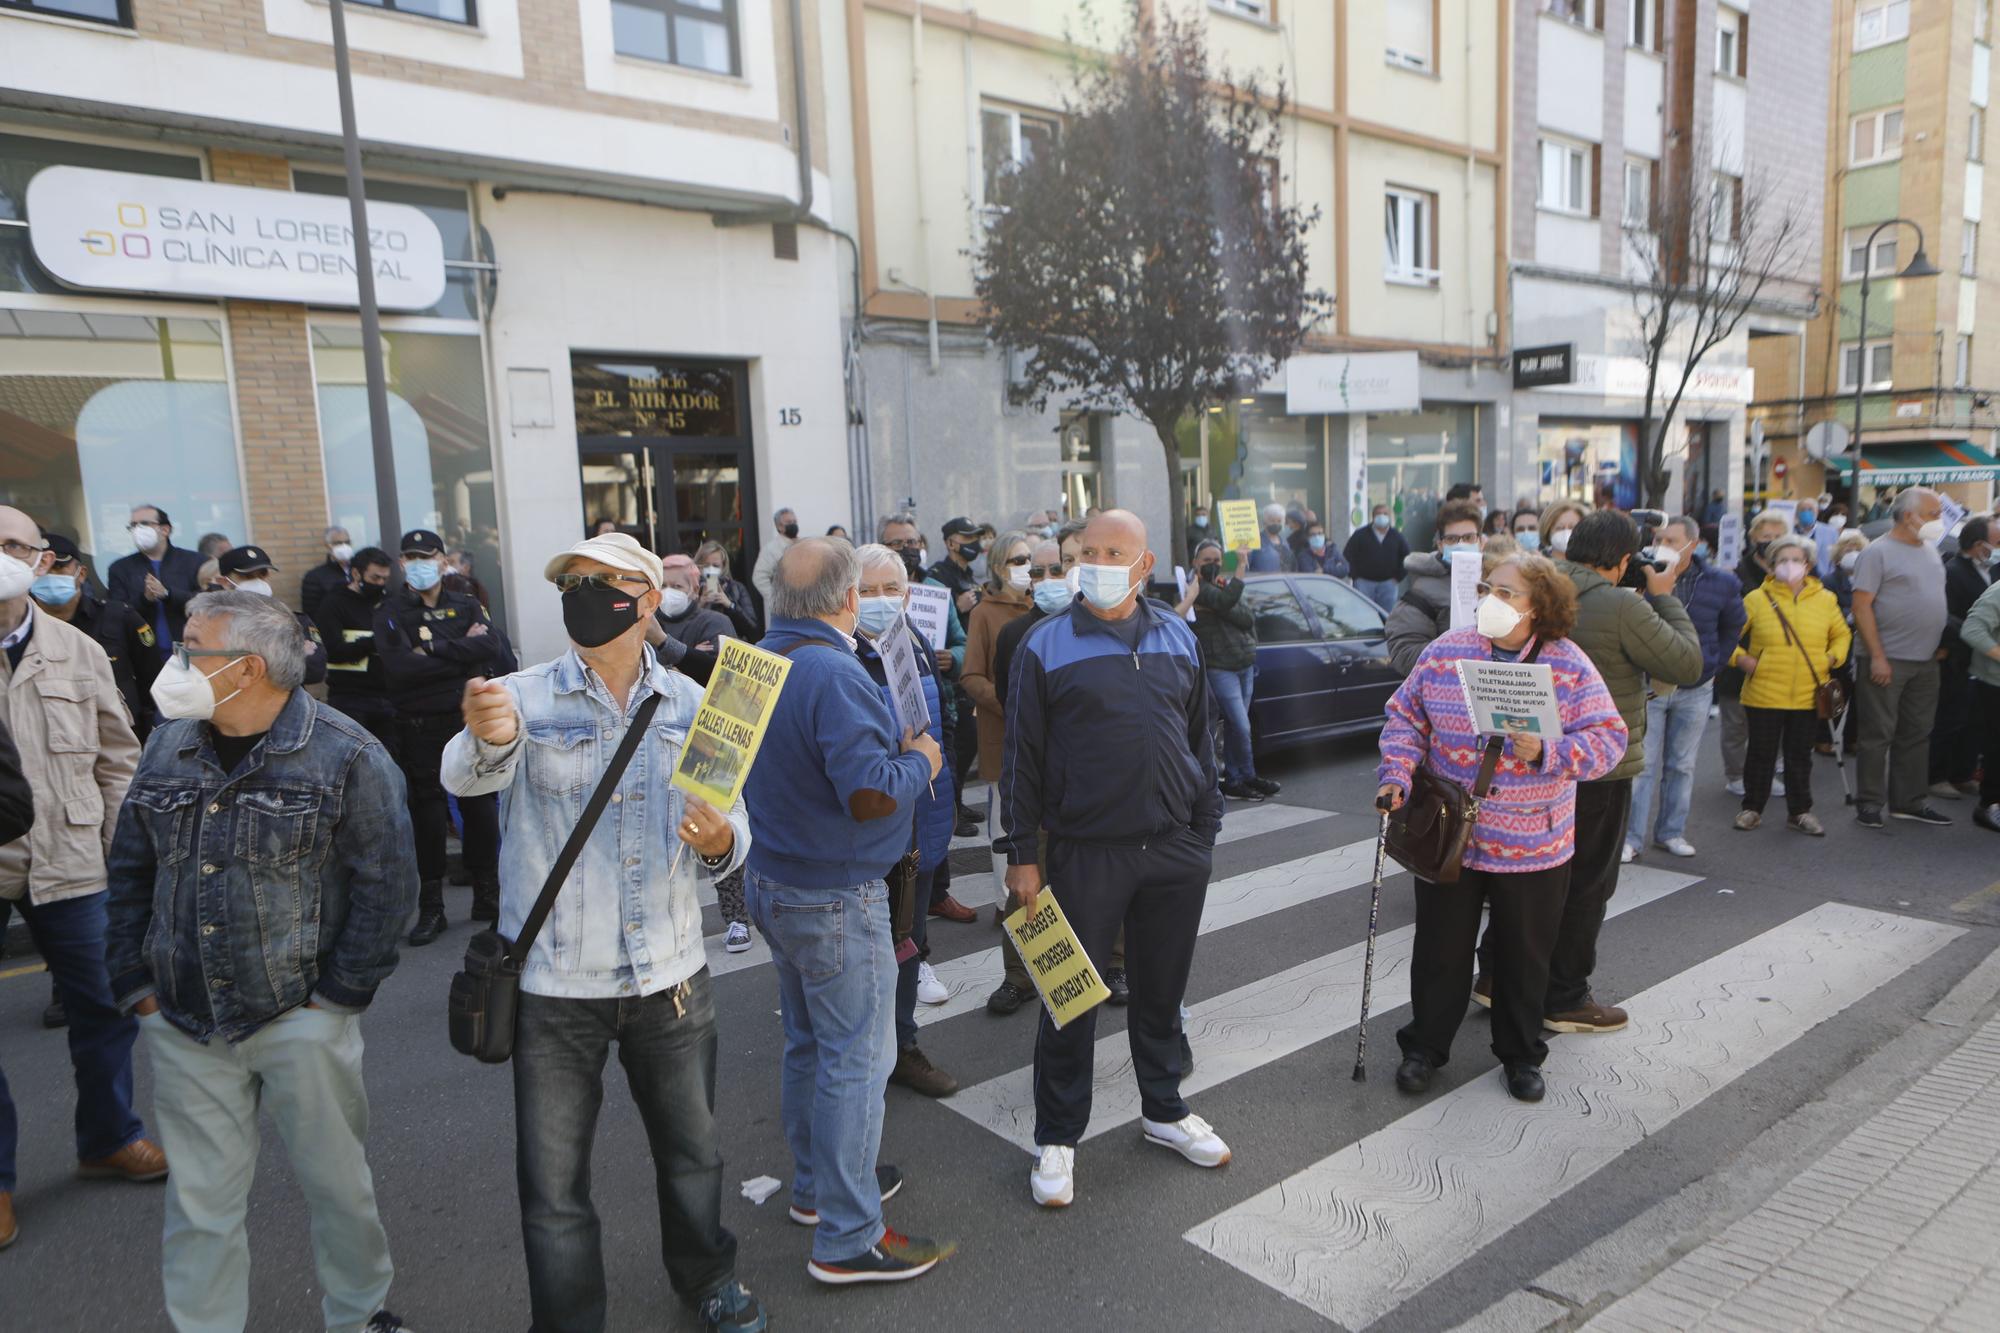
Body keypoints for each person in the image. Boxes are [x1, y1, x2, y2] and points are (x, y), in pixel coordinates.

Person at [441, 536, 766, 1333]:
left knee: (695, 1156)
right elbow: (466, 773)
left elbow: (738, 835)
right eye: (573, 583)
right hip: (555, 985)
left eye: (604, 583)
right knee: (554, 1187)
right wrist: (484, 733)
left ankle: (707, 1278)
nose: (584, 593)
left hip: (672, 977)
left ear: (649, 599)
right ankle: (567, 1319)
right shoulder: (518, 695)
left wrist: (721, 840)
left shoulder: (698, 705)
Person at [104, 592, 415, 1333]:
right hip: (184, 1022)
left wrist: (336, 1000)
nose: (175, 663)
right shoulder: (167, 743)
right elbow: (130, 869)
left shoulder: (349, 755)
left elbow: (388, 887)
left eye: (191, 648)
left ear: (246, 669)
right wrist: (136, 986)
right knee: (200, 1205)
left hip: (300, 1016)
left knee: (339, 1190)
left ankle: (361, 1313)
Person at [1000, 509, 1228, 1210]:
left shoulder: (1177, 636)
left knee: (1161, 992)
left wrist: (1205, 823)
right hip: (1083, 853)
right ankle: (1059, 1135)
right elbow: (1022, 761)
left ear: (1143, 561)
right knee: (1069, 998)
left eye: (1112, 550)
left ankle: (1163, 1109)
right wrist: (1021, 857)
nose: (1094, 560)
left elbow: (1201, 734)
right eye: (1086, 550)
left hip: (1172, 849)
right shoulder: (1045, 643)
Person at [743, 538, 953, 1284]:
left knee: (811, 1044)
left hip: (774, 879)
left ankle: (818, 1189)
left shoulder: (755, 659)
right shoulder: (834, 671)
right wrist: (921, 758)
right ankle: (847, 1233)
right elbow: (868, 794)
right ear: (846, 598)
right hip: (834, 890)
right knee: (858, 1060)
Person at [1379, 555, 1625, 1104]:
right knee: (1440, 951)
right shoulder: (1447, 651)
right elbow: (1404, 716)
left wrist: (1549, 751)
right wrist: (1396, 774)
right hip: (1453, 840)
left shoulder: (1568, 665)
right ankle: (1424, 1048)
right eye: (1489, 587)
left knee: (1524, 955)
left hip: (1533, 843)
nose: (1492, 597)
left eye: (1507, 592)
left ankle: (1519, 1054)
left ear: (1539, 606)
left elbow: (1610, 742)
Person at [0, 505, 162, 1250]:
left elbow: (116, 757)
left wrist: (117, 850)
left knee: (105, 1004)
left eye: (12, 544)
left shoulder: (76, 648)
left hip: (70, 859)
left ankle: (108, 1136)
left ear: (41, 560)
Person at [1475, 509, 1700, 1035]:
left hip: (1526, 762)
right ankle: (1565, 995)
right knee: (1585, 886)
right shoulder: (1621, 603)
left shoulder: (1532, 585)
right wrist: (1664, 594)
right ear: (1624, 560)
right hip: (1597, 767)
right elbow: (1686, 664)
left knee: (1524, 879)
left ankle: (1493, 977)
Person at [852, 544, 960, 1099]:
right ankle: (874, 1058)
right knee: (876, 954)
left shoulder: (912, 640)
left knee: (910, 944)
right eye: (866, 590)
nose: (879, 601)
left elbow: (937, 730)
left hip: (923, 817)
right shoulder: (841, 655)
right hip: (876, 830)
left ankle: (902, 1046)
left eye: (890, 589)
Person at [375, 528, 516, 943]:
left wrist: (432, 650)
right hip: (417, 723)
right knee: (428, 815)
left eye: (428, 555)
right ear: (402, 563)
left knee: (479, 806)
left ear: (442, 560)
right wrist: (459, 651)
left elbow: (490, 649)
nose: (420, 563)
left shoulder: (467, 602)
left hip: (465, 718)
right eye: (411, 557)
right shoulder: (390, 610)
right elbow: (398, 668)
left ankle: (487, 893)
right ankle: (432, 906)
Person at [1625, 516, 1743, 859]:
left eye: (1672, 541)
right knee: (1642, 766)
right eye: (1659, 538)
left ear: (1693, 545)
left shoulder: (1720, 581)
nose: (1663, 545)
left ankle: (1671, 832)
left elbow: (1734, 624)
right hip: (1649, 685)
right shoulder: (1641, 576)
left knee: (1682, 764)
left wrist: (1714, 665)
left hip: (1696, 686)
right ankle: (1631, 838)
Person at [1729, 536, 1851, 836]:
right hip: (1764, 692)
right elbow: (1727, 634)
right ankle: (1752, 808)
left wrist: (1832, 657)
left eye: (1796, 559)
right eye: (1782, 560)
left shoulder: (1826, 599)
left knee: (1799, 756)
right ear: (1771, 565)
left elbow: (1842, 635)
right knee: (1761, 753)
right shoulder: (1756, 599)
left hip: (1809, 693)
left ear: (1808, 564)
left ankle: (1800, 812)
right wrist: (1741, 659)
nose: (1789, 566)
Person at [1851, 487, 1953, 829]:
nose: (1939, 520)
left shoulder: (1930, 550)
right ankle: (1869, 803)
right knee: (1877, 734)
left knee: (1917, 732)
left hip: (1925, 659)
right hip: (1887, 658)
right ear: (1909, 515)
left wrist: (1936, 643)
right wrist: (1877, 656)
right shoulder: (1877, 553)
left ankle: (1908, 801)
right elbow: (1861, 605)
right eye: (1933, 513)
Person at [962, 528, 1036, 914]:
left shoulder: (1041, 605)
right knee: (1004, 825)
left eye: (1029, 560)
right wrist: (1010, 703)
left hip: (1043, 737)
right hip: (1003, 733)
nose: (1026, 568)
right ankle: (1006, 904)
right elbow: (971, 676)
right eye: (1017, 560)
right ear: (998, 567)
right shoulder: (983, 613)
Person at [32, 533, 159, 743]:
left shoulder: (120, 618)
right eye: (41, 568)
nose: (49, 575)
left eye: (58, 568)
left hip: (115, 738)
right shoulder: (16, 627)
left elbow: (151, 678)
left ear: (81, 574)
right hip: (46, 738)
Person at [1181, 539, 1276, 802]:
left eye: (1217, 561)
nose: (1213, 565)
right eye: (1207, 561)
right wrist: (1241, 568)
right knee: (1241, 725)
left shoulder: (1223, 585)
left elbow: (1246, 617)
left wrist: (1228, 600)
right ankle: (1240, 776)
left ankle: (1241, 776)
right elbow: (1226, 602)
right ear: (1195, 563)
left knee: (1237, 727)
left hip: (1243, 663)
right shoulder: (1194, 588)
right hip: (1219, 666)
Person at [1721, 509, 1795, 795]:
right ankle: (1736, 774)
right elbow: (1726, 620)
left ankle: (1764, 772)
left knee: (1771, 724)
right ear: (1753, 537)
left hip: (1779, 662)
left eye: (1778, 537)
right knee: (1736, 724)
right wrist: (1739, 656)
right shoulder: (1735, 572)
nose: (1772, 541)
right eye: (1766, 536)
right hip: (1741, 657)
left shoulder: (1791, 573)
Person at [1931, 516, 1995, 799]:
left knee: (1975, 722)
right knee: (1949, 719)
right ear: (1980, 545)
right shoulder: (1952, 571)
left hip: (1981, 662)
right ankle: (1935, 776)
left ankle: (1962, 773)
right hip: (1956, 656)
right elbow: (1943, 615)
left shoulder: (1990, 571)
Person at [1386, 500, 1485, 675]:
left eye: (1469, 537)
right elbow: (1404, 653)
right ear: (1440, 544)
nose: (1461, 544)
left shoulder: (1500, 581)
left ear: (1481, 541)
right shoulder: (1423, 590)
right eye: (1452, 539)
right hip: (1447, 691)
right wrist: (1454, 650)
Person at [315, 547, 398, 753]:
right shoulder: (334, 604)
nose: (379, 584)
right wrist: (373, 641)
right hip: (350, 698)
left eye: (384, 579)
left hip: (389, 697)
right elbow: (332, 650)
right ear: (356, 574)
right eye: (375, 577)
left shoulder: (389, 603)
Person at [214, 545, 327, 685]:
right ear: (224, 582)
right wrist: (291, 654)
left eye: (263, 574)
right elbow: (220, 672)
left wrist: (255, 660)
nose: (257, 581)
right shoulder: (214, 623)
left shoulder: (296, 621)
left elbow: (315, 671)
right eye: (247, 576)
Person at [106, 503, 203, 667]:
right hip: (144, 658)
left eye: (143, 524)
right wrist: (145, 599)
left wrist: (168, 594)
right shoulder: (121, 568)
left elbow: (208, 601)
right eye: (133, 526)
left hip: (193, 652)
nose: (137, 530)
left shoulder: (195, 562)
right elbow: (117, 612)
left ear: (165, 530)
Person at [1959, 575, 2000, 832]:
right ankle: (1989, 805)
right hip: (1995, 683)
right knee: (1997, 747)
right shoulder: (1998, 592)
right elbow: (1971, 629)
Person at [656, 554, 735, 652]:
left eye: (677, 586)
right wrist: (692, 656)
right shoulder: (648, 625)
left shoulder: (714, 623)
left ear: (695, 590)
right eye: (663, 586)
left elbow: (715, 665)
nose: (668, 592)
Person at [1345, 503, 1410, 611]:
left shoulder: (1396, 536)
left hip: (1388, 584)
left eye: (1385, 513)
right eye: (1378, 514)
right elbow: (1348, 555)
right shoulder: (1360, 534)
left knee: (1386, 616)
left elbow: (1406, 557)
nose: (1381, 516)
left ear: (1389, 516)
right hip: (1364, 584)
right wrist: (1355, 576)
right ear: (1373, 517)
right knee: (1363, 613)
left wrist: (1398, 577)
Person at [695, 540, 762, 641]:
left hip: (733, 649)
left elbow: (753, 629)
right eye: (706, 566)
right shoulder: (692, 589)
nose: (711, 570)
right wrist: (700, 604)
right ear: (699, 567)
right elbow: (683, 628)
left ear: (723, 566)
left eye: (715, 566)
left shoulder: (737, 589)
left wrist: (730, 605)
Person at [926, 516, 985, 617]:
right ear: (950, 544)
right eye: (968, 537)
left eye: (976, 537)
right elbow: (930, 618)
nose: (974, 542)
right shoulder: (936, 576)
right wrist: (957, 608)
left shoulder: (971, 577)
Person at [750, 506, 799, 607]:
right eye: (789, 522)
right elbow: (759, 577)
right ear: (779, 527)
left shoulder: (805, 544)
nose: (793, 525)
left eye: (794, 521)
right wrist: (776, 600)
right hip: (785, 606)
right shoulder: (771, 549)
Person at [301, 526, 354, 617]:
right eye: (338, 543)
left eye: (347, 542)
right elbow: (311, 612)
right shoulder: (314, 577)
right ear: (328, 546)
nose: (344, 546)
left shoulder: (359, 570)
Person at [1245, 503, 1295, 573]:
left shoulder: (1284, 542)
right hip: (1263, 582)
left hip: (1283, 582)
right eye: (1272, 520)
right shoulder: (1255, 541)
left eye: (1279, 521)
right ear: (1265, 522)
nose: (1276, 523)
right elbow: (1245, 567)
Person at [1794, 500, 1838, 578]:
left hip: (1823, 578)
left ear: (1817, 512)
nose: (1806, 512)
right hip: (1796, 577)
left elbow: (1834, 557)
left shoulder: (1830, 532)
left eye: (1810, 509)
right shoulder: (1790, 531)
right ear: (1797, 513)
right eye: (1803, 510)